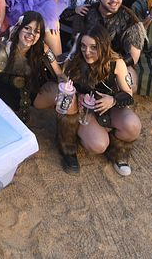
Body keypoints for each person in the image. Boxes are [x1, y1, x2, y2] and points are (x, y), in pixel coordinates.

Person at [52, 25, 140, 175]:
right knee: (98, 145)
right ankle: (69, 145)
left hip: (111, 108)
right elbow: (66, 86)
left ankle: (119, 152)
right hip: (85, 112)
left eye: (94, 47)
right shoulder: (75, 61)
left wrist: (112, 100)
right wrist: (76, 95)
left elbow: (128, 94)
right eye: (83, 46)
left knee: (132, 126)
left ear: (104, 46)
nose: (87, 52)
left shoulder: (116, 63)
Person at [0, 11, 62, 123]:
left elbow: (59, 73)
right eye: (27, 28)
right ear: (19, 28)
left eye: (37, 31)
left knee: (63, 95)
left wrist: (66, 88)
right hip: (3, 92)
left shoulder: (43, 49)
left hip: (27, 94)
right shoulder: (6, 45)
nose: (31, 35)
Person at [83, 0, 146, 78]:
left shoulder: (130, 19)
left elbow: (133, 57)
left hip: (117, 63)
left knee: (131, 82)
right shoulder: (87, 12)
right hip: (88, 57)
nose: (114, 0)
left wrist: (111, 67)